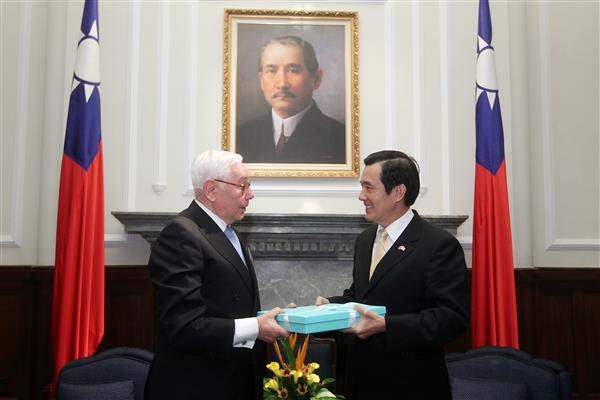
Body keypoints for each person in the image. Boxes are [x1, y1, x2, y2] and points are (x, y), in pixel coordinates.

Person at [315, 150, 469, 399]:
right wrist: (329, 306)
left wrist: (386, 326)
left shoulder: (438, 245)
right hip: (359, 382)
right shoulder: (365, 240)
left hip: (411, 385)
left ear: (398, 192)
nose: (361, 196)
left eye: (368, 187)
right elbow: (361, 296)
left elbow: (450, 319)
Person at [146, 150, 288, 400]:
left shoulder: (228, 232)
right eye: (243, 186)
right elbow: (184, 326)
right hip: (198, 387)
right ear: (211, 190)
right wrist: (256, 327)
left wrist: (272, 319)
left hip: (233, 382)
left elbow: (228, 306)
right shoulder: (181, 235)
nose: (251, 194)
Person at [236, 35, 346, 164]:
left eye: (293, 70)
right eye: (271, 71)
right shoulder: (241, 135)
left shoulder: (340, 138)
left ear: (316, 79)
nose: (282, 84)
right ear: (261, 80)